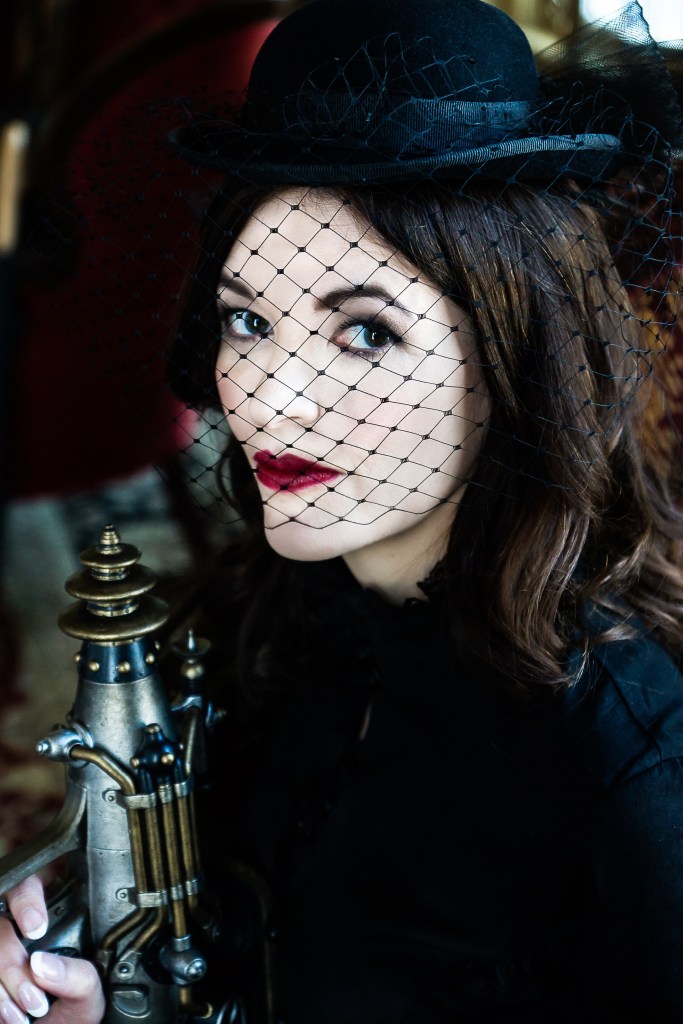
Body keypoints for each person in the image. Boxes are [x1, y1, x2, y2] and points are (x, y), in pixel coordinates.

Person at [2, 0, 683, 1021]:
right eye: (246, 320)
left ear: (509, 366)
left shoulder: (624, 773)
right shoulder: (270, 613)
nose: (268, 400)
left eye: (365, 333)